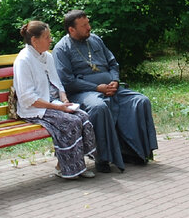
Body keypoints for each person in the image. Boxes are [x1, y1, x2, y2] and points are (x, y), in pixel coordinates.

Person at [53, 10, 157, 171]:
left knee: (140, 101)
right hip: (83, 93)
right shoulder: (61, 49)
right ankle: (103, 158)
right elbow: (68, 81)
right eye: (84, 25)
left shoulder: (95, 40)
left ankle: (134, 152)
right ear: (71, 30)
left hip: (111, 88)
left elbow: (113, 63)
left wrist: (115, 80)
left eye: (88, 23)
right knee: (99, 107)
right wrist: (96, 87)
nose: (89, 27)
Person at [12, 21, 97, 180]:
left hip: (54, 104)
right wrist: (58, 108)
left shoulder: (47, 56)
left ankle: (74, 164)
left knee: (83, 117)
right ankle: (69, 168)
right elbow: (27, 98)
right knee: (69, 122)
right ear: (34, 41)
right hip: (34, 109)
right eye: (46, 37)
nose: (51, 40)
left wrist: (64, 100)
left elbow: (57, 83)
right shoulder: (23, 60)